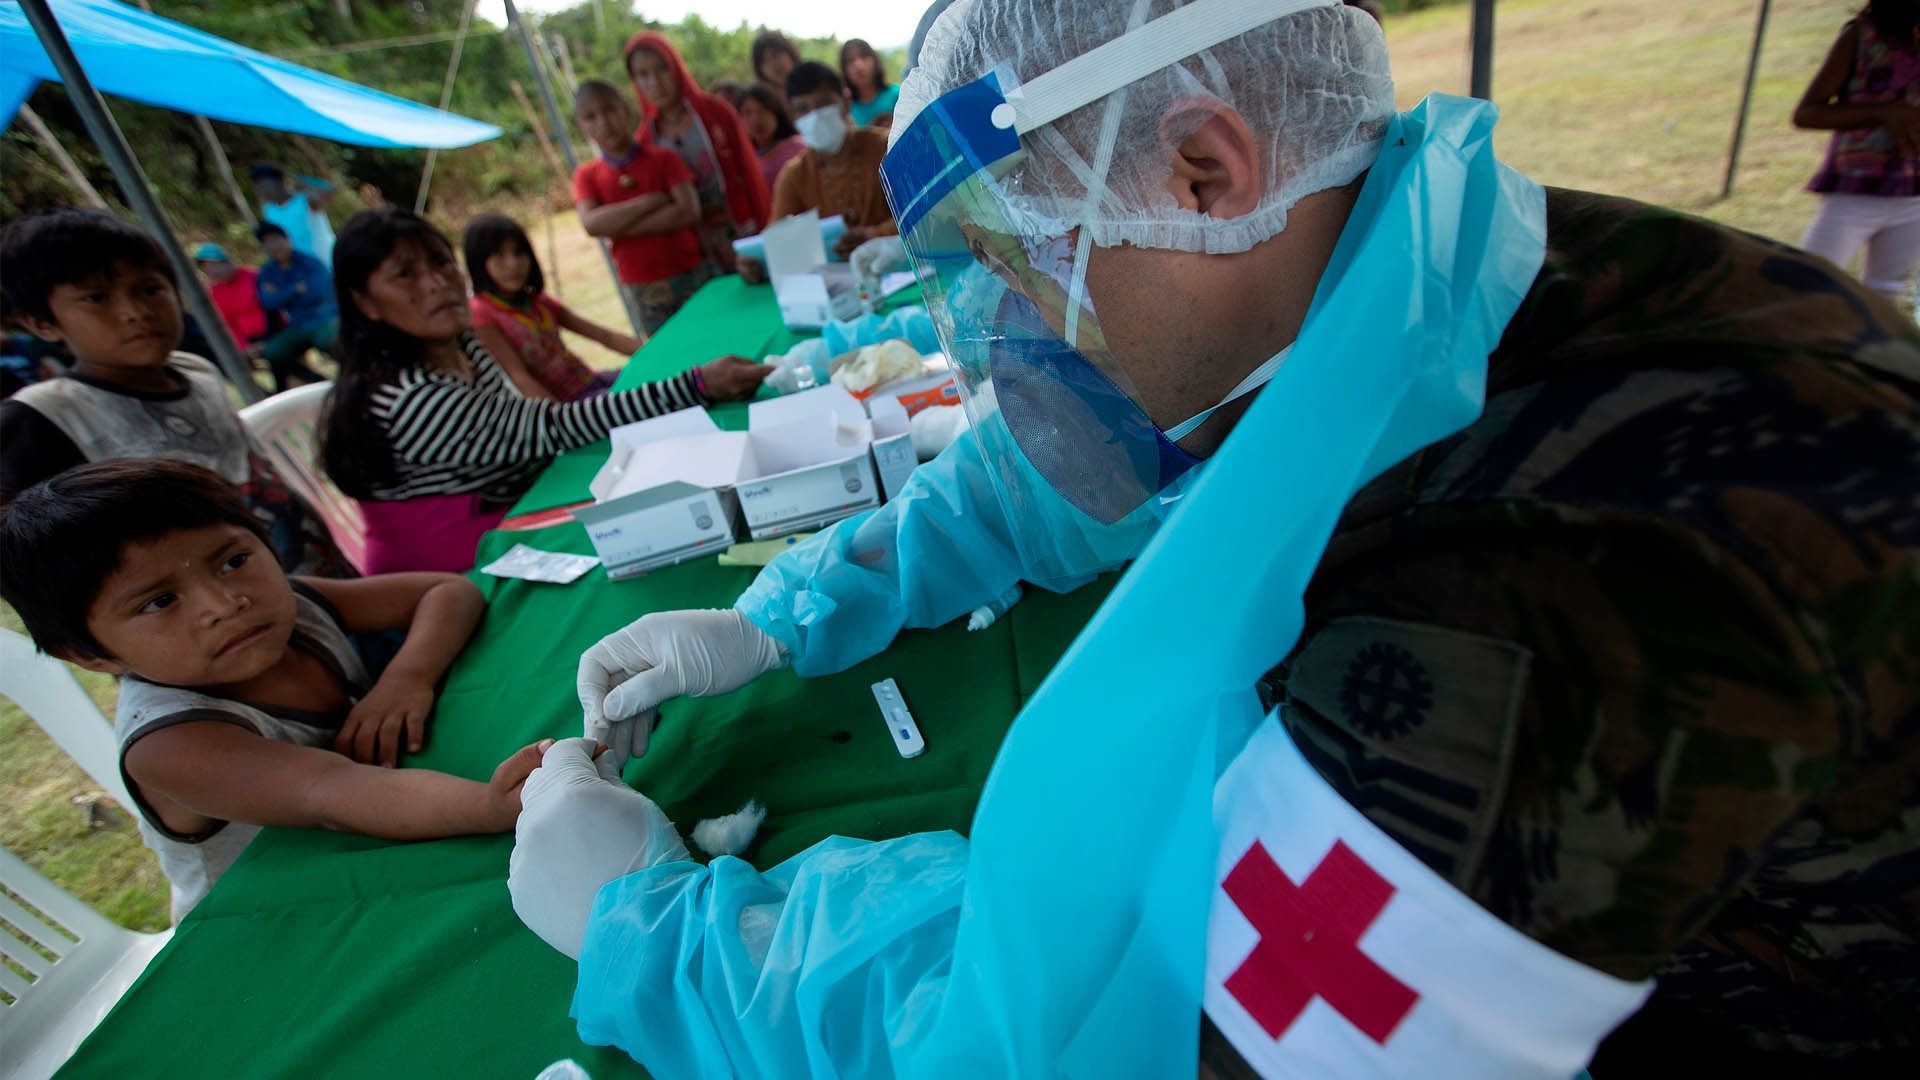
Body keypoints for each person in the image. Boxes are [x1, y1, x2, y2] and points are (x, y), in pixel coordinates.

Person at [509, 0, 1919, 1076]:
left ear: (1203, 168)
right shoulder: (1413, 272)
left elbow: (1142, 1032)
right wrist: (786, 609)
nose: (1007, 342)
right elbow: (1053, 479)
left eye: (1024, 258)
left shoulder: (1569, 592)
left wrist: (678, 935)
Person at [0, 459, 549, 921]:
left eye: (234, 561)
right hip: (269, 919)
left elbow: (446, 592)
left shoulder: (292, 607)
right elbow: (331, 793)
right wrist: (485, 804)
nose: (225, 603)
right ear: (92, 655)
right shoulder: (169, 744)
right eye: (158, 602)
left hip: (369, 850)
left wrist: (406, 677)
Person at [317, 208, 768, 576]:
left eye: (439, 262)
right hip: (450, 573)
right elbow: (550, 426)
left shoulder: (460, 343)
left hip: (510, 505)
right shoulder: (410, 397)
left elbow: (528, 426)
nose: (436, 283)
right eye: (404, 275)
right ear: (365, 302)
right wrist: (694, 385)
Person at [0, 208, 349, 577]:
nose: (136, 311)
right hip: (228, 619)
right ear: (41, 322)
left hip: (320, 578)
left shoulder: (195, 372)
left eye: (149, 289)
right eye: (96, 298)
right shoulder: (41, 418)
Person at [1792, 0, 1920, 304]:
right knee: (1805, 288)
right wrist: (1884, 113)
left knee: (1886, 293)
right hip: (1855, 192)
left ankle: (1869, 352)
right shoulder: (1861, 36)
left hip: (1915, 196)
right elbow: (1807, 113)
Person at [570, 79, 712, 335]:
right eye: (591, 117)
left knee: (710, 334)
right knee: (670, 355)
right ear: (581, 126)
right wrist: (649, 202)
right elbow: (591, 224)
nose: (603, 122)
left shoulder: (664, 158)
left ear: (625, 109)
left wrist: (620, 228)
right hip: (642, 285)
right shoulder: (587, 175)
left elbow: (688, 211)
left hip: (689, 271)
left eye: (609, 110)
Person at [738, 62, 898, 283]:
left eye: (823, 104)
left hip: (901, 271)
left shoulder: (887, 147)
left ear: (845, 103)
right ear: (793, 116)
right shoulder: (794, 176)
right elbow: (777, 239)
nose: (814, 116)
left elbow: (923, 213)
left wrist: (873, 236)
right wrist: (754, 262)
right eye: (803, 109)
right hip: (837, 288)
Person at [626, 31, 771, 273]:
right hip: (693, 251)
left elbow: (750, 174)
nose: (655, 81)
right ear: (635, 81)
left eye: (662, 68)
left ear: (676, 67)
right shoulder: (645, 139)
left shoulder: (716, 113)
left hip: (741, 231)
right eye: (643, 74)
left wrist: (765, 229)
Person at [462, 213, 636, 402]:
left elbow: (605, 336)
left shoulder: (537, 301)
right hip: (568, 408)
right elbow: (518, 377)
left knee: (651, 380)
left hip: (591, 382)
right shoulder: (482, 314)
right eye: (499, 255)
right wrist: (560, 422)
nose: (512, 264)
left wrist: (654, 353)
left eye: (519, 252)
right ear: (479, 263)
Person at [252, 222, 336, 392]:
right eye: (266, 242)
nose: (273, 246)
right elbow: (268, 302)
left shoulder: (309, 262)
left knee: (329, 339)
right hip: (297, 324)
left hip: (324, 318)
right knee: (273, 352)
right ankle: (321, 383)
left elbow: (318, 292)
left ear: (287, 239)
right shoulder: (267, 272)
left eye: (276, 240)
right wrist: (294, 289)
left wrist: (281, 293)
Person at [250, 163, 336, 270]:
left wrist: (304, 180)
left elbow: (329, 190)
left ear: (279, 182)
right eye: (258, 188)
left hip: (328, 261)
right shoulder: (269, 210)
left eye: (265, 186)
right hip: (302, 269)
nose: (263, 191)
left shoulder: (305, 200)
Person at [194, 243, 269, 357]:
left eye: (215, 265)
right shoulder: (216, 292)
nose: (213, 272)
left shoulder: (254, 276)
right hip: (251, 340)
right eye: (206, 269)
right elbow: (229, 324)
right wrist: (245, 347)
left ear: (227, 262)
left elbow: (274, 308)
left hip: (274, 331)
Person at [738, 83, 808, 191]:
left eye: (763, 110)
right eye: (747, 112)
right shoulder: (740, 161)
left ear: (776, 113)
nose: (756, 119)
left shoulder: (798, 148)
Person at [841, 38, 900, 129]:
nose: (858, 65)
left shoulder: (897, 94)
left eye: (863, 57)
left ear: (875, 60)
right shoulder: (845, 111)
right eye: (850, 60)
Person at [751, 30, 801, 97]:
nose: (773, 64)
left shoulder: (815, 82)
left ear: (790, 53)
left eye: (775, 55)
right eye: (765, 61)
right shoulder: (764, 102)